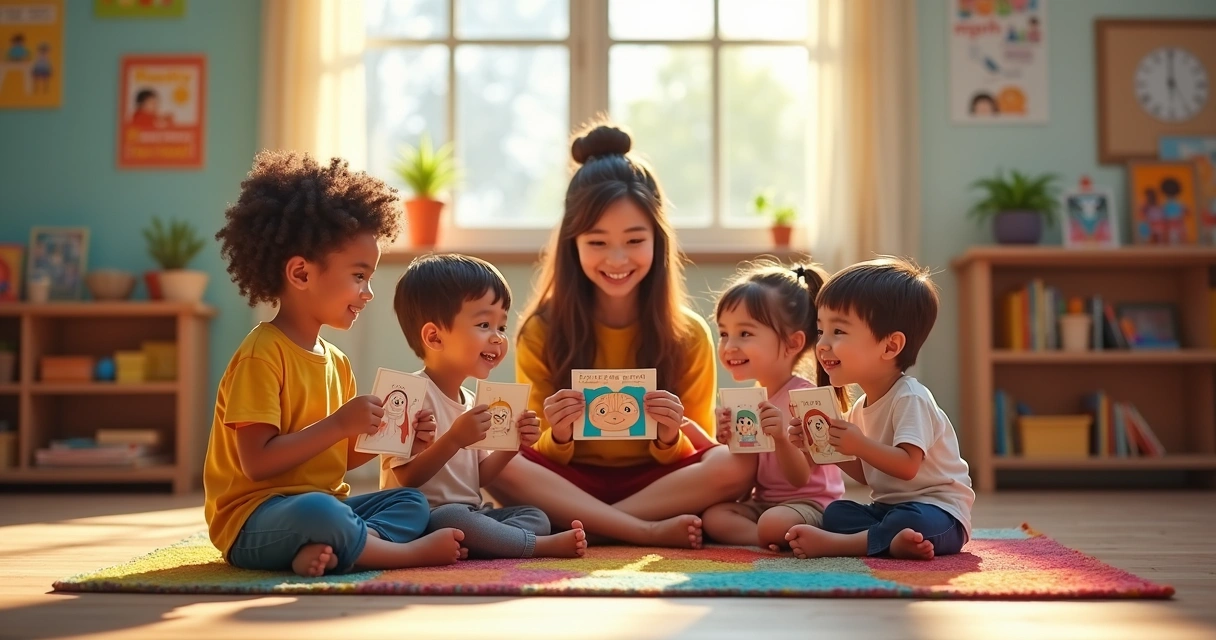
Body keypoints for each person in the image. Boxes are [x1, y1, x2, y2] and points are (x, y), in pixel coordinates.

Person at [485, 121, 756, 548]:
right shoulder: (542, 330)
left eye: (633, 240)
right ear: (573, 244)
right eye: (597, 243)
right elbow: (534, 446)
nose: (616, 259)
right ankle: (638, 530)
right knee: (492, 457)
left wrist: (669, 435)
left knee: (737, 463)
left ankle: (595, 528)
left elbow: (699, 447)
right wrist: (560, 433)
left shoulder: (689, 333)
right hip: (567, 482)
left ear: (657, 241)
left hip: (657, 485)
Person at [205, 151, 465, 577]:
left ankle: (338, 547)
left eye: (370, 278)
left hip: (323, 507)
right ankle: (396, 553)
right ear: (301, 274)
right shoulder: (261, 354)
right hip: (254, 520)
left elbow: (335, 460)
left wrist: (399, 442)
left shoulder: (337, 362)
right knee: (320, 512)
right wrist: (340, 423)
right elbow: (258, 463)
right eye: (359, 276)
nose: (368, 292)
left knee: (410, 501)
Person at [381, 254, 588, 559]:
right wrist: (454, 439)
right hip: (420, 518)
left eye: (501, 326)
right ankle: (535, 546)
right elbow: (407, 479)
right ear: (434, 337)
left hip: (471, 511)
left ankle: (486, 542)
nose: (498, 338)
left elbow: (480, 478)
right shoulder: (407, 394)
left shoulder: (471, 401)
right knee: (453, 517)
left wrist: (513, 444)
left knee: (535, 515)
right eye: (484, 324)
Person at [784, 258, 975, 560]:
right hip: (889, 510)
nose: (822, 344)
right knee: (836, 512)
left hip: (939, 512)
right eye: (821, 331)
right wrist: (815, 447)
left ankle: (845, 545)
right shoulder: (861, 407)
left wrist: (859, 444)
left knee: (910, 521)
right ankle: (890, 542)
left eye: (838, 331)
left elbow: (907, 466)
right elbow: (866, 474)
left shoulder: (910, 398)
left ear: (890, 346)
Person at [701, 261, 848, 551]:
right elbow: (746, 473)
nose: (729, 346)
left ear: (793, 343)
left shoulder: (806, 400)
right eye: (724, 333)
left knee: (774, 522)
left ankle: (784, 536)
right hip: (763, 503)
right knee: (713, 516)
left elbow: (799, 479)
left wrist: (781, 437)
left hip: (809, 504)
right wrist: (726, 438)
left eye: (745, 334)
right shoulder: (750, 400)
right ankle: (768, 540)